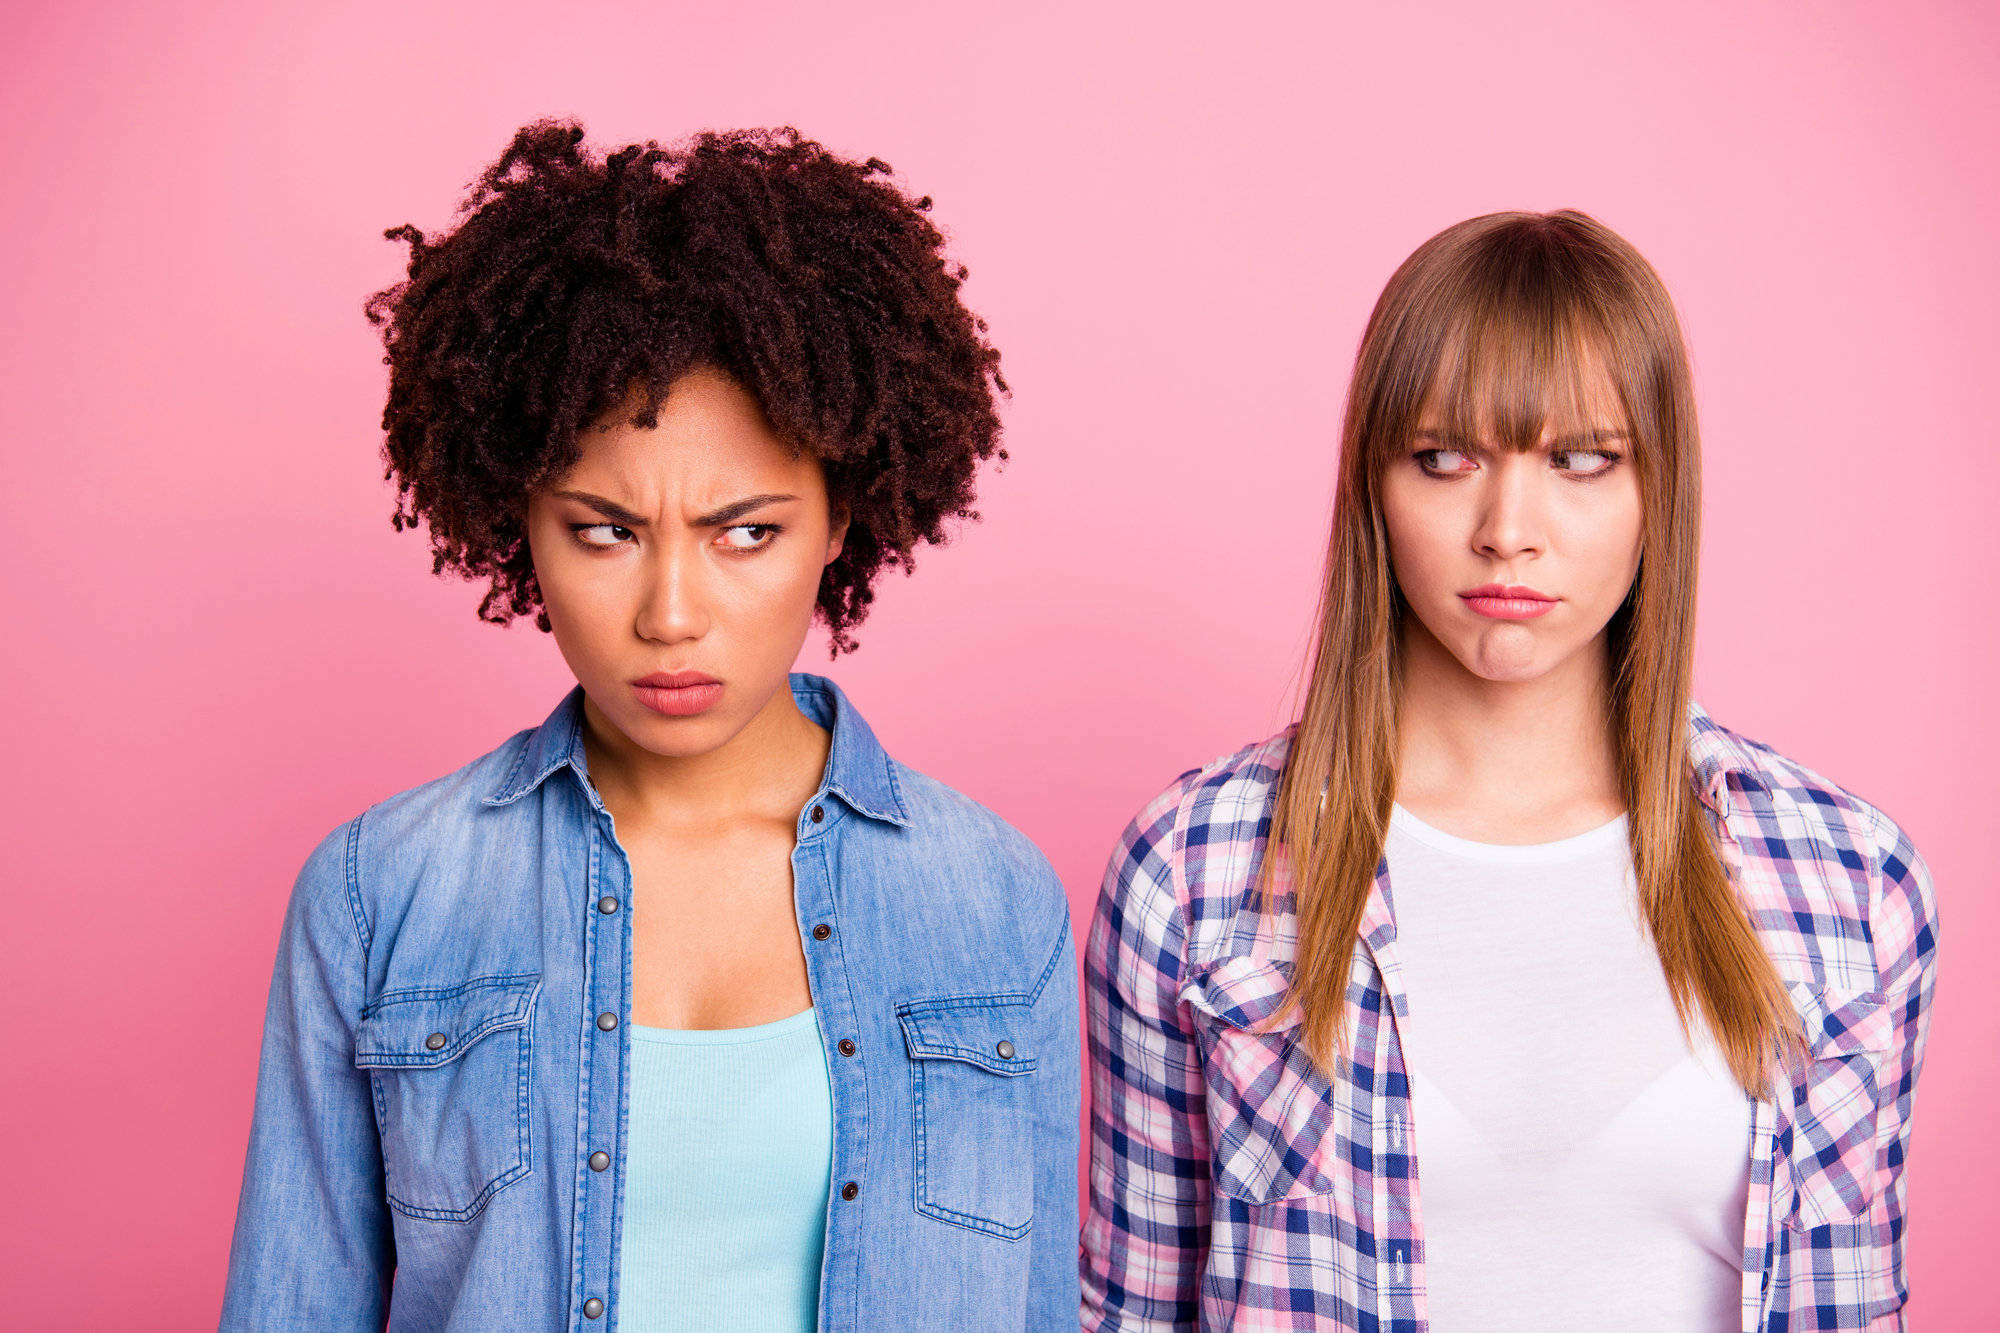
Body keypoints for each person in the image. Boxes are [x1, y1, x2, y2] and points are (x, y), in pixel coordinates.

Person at [219, 121, 1078, 1333]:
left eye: (745, 532)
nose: (671, 614)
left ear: (841, 518)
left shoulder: (990, 899)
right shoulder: (379, 895)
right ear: (516, 513)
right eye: (605, 531)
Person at [1080, 211, 1935, 1332]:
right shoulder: (1194, 868)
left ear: (1654, 491)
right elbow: (1126, 1311)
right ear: (1371, 487)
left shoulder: (1848, 880)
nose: (1507, 529)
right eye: (1443, 459)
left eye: (1580, 460)